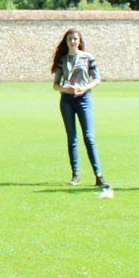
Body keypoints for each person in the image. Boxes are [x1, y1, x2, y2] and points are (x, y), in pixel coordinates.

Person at [51, 28, 106, 187]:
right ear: (66, 41)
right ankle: (76, 175)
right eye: (70, 39)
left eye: (75, 39)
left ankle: (98, 174)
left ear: (79, 41)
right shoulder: (63, 60)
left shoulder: (88, 58)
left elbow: (97, 79)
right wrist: (64, 89)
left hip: (84, 99)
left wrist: (86, 88)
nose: (73, 41)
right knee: (72, 138)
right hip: (67, 100)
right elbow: (55, 85)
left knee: (89, 137)